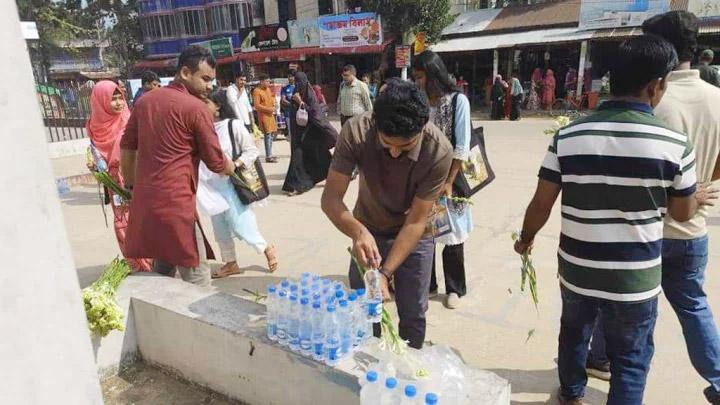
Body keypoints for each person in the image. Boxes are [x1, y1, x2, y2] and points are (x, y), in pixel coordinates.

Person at [514, 35, 700, 405]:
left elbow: (541, 202)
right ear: (655, 86)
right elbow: (682, 213)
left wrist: (526, 238)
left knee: (573, 334)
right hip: (635, 276)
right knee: (631, 358)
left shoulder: (568, 135)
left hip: (578, 268)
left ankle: (571, 395)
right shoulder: (675, 143)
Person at [321, 79, 453, 349]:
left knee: (413, 311)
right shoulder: (356, 131)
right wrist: (358, 232)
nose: (394, 153)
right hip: (368, 229)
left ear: (421, 130)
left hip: (414, 236)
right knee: (366, 308)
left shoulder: (438, 151)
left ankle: (409, 367)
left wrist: (386, 272)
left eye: (404, 148)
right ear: (375, 125)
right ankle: (369, 365)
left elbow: (416, 220)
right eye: (386, 143)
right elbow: (330, 199)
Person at [643, 11, 720, 404]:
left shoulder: (653, 101)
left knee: (632, 307)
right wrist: (701, 187)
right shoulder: (717, 99)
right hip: (693, 232)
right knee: (693, 307)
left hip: (651, 230)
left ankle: (620, 371)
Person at [120, 45, 236, 287]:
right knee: (198, 279)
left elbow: (127, 147)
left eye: (212, 81)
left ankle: (158, 317)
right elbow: (215, 162)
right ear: (185, 72)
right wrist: (231, 166)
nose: (210, 87)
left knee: (162, 267)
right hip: (176, 206)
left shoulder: (144, 102)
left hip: (147, 203)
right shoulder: (196, 109)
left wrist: (130, 186)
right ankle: (200, 322)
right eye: (205, 79)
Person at [412, 50, 473, 310]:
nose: (417, 82)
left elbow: (462, 145)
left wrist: (449, 181)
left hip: (452, 178)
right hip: (426, 177)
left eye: (420, 77)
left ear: (433, 75)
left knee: (452, 235)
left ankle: (454, 288)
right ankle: (428, 284)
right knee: (427, 233)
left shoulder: (458, 101)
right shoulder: (422, 102)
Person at [196, 90, 278, 278]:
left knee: (241, 223)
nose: (200, 107)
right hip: (210, 187)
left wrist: (235, 164)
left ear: (218, 106)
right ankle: (230, 263)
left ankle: (265, 247)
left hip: (231, 184)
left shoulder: (234, 126)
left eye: (205, 103)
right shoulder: (201, 128)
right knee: (220, 228)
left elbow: (251, 151)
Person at [86, 80, 152, 272]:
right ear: (100, 102)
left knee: (142, 221)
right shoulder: (94, 127)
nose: (118, 103)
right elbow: (96, 153)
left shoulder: (129, 121)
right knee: (123, 222)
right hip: (114, 184)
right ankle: (137, 263)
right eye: (112, 99)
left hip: (136, 180)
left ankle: (152, 262)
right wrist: (96, 167)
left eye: (120, 98)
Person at [282, 72, 336, 196]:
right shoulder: (296, 92)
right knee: (307, 157)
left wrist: (300, 102)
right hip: (299, 134)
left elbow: (314, 113)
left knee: (309, 156)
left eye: (299, 82)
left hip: (311, 133)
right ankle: (297, 184)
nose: (297, 84)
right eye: (295, 82)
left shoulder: (309, 95)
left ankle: (297, 186)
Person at [253, 74, 279, 163]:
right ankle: (268, 156)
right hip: (264, 116)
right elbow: (257, 106)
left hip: (270, 116)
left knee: (271, 135)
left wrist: (275, 104)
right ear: (261, 81)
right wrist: (269, 109)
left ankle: (270, 154)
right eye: (267, 81)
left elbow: (271, 99)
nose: (269, 83)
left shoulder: (268, 89)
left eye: (269, 81)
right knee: (267, 136)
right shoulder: (257, 91)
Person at [280, 70, 297, 138]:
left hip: (299, 114)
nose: (290, 78)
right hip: (289, 114)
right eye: (289, 76)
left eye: (292, 76)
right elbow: (283, 100)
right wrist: (291, 104)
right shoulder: (284, 88)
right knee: (291, 134)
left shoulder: (299, 87)